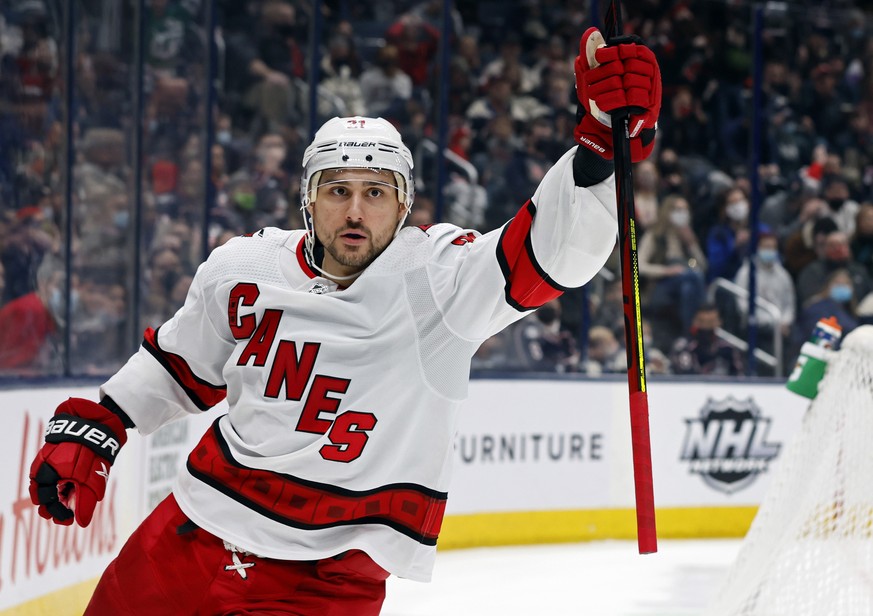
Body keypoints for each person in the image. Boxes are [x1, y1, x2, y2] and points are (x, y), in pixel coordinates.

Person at [27, 27, 661, 615]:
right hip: (191, 529)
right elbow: (177, 364)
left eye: (376, 192)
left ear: (403, 204)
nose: (355, 212)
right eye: (337, 191)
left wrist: (601, 147)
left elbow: (548, 256)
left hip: (323, 582)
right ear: (308, 199)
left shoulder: (438, 281)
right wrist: (103, 421)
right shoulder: (245, 267)